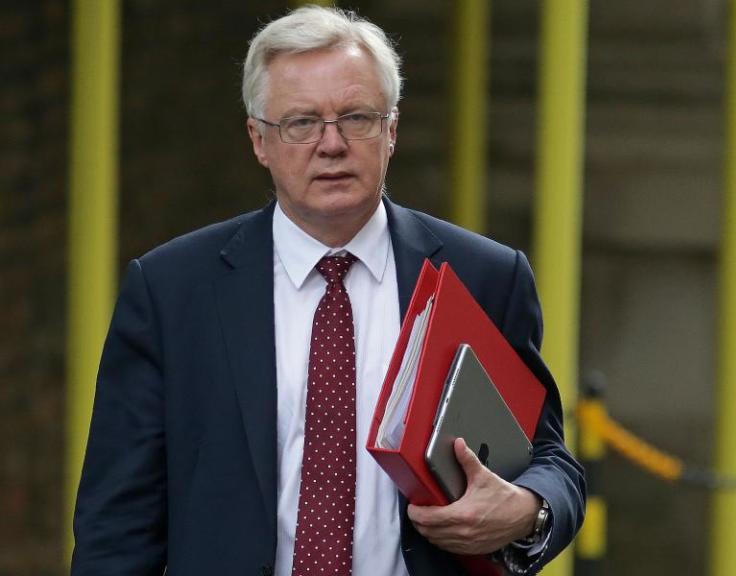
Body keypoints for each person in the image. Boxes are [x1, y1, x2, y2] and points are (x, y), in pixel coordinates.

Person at [71, 5, 584, 576]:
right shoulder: (172, 293)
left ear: (391, 130)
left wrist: (527, 511)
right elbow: (116, 528)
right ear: (259, 140)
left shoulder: (485, 276)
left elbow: (548, 460)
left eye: (356, 118)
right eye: (301, 123)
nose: (331, 143)